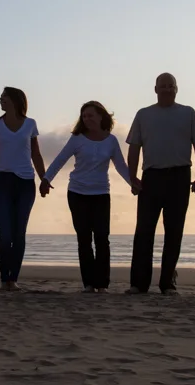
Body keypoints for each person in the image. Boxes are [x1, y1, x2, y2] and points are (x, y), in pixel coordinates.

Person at [125, 73, 195, 295]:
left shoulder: (188, 113)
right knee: (143, 231)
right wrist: (131, 177)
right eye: (163, 86)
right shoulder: (143, 115)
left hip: (180, 177)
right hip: (151, 178)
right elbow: (134, 148)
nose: (167, 89)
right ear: (155, 89)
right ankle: (139, 283)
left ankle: (167, 283)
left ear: (177, 89)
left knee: (174, 232)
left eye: (171, 86)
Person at [40, 101, 131, 293]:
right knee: (84, 238)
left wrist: (134, 183)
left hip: (101, 194)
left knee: (102, 238)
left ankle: (102, 284)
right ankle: (89, 284)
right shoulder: (77, 139)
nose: (87, 119)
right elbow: (60, 159)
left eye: (90, 115)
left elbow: (121, 166)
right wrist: (46, 179)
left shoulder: (111, 140)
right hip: (77, 193)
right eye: (84, 116)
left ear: (101, 116)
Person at [0, 86, 47, 291]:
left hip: (25, 183)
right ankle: (4, 279)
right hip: (3, 181)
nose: (0, 100)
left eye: (3, 97)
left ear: (14, 100)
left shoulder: (30, 124)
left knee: (19, 233)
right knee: (6, 234)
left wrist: (44, 179)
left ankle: (14, 279)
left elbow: (35, 154)